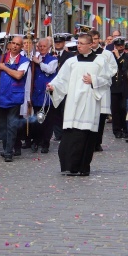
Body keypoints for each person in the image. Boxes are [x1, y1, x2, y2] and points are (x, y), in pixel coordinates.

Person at [47, 33, 110, 176]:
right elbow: (61, 80)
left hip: (90, 103)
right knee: (70, 135)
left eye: (82, 43)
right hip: (73, 103)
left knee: (85, 135)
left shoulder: (100, 61)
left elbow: (107, 80)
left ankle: (82, 167)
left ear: (90, 45)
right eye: (78, 43)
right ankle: (68, 166)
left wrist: (94, 80)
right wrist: (53, 87)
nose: (79, 46)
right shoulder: (71, 62)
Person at [0, 35, 30, 162]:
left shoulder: (24, 61)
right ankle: (6, 148)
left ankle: (9, 151)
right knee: (3, 126)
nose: (15, 46)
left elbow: (19, 75)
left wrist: (4, 67)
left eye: (18, 44)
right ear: (9, 44)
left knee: (12, 125)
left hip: (15, 97)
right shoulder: (1, 58)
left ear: (21, 47)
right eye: (13, 43)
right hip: (1, 95)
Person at [29, 38, 58, 153]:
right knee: (37, 120)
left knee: (47, 121)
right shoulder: (34, 59)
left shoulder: (53, 60)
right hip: (37, 94)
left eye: (44, 46)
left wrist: (39, 63)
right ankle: (36, 141)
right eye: (40, 46)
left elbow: (50, 70)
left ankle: (45, 143)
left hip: (47, 95)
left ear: (49, 47)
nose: (41, 48)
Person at [90, 30, 117, 152]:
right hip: (89, 88)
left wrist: (102, 77)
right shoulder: (86, 54)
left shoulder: (106, 54)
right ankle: (89, 141)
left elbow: (113, 68)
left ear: (99, 39)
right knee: (90, 115)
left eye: (95, 39)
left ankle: (97, 142)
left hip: (103, 87)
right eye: (91, 39)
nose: (94, 41)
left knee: (101, 116)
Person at [110, 37, 127, 138]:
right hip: (114, 86)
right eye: (118, 46)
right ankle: (116, 130)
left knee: (123, 109)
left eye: (122, 45)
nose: (120, 47)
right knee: (115, 110)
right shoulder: (110, 56)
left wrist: (118, 57)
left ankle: (125, 129)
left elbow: (124, 66)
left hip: (124, 85)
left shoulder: (127, 55)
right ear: (115, 46)